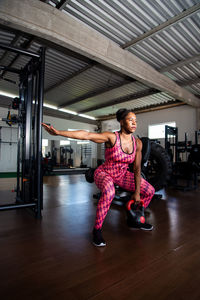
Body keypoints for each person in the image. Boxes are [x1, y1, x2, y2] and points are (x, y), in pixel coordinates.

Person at [42, 108, 155, 247]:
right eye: (130, 120)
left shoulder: (137, 143)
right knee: (109, 192)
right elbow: (86, 135)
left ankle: (135, 217)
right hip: (105, 172)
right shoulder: (111, 137)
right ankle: (97, 230)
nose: (134, 123)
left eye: (135, 121)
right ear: (121, 122)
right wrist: (58, 132)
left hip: (122, 175)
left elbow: (137, 169)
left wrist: (137, 192)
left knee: (150, 191)